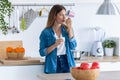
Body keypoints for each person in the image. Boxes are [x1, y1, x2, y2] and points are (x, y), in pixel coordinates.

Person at [39, 4, 77, 74]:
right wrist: (55, 45)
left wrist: (70, 28)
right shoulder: (45, 32)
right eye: (61, 15)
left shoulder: (67, 29)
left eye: (65, 15)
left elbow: (73, 46)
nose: (64, 17)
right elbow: (42, 53)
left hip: (67, 62)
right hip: (53, 64)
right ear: (54, 16)